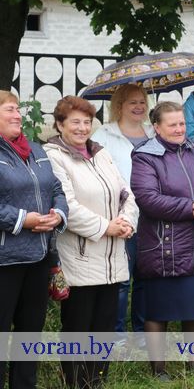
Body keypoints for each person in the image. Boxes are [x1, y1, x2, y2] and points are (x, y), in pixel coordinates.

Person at [43, 96, 138, 388]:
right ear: (60, 125)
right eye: (75, 122)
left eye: (87, 122)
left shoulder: (101, 153)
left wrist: (127, 221)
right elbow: (66, 206)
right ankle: (75, 383)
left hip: (112, 259)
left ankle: (97, 382)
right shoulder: (53, 156)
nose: (82, 128)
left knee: (104, 327)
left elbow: (126, 194)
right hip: (79, 258)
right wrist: (107, 227)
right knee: (78, 327)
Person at [131, 101, 194, 379]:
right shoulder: (144, 157)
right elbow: (148, 199)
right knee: (158, 311)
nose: (179, 129)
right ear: (157, 127)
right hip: (163, 248)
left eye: (182, 123)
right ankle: (158, 371)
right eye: (172, 124)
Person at [0, 90, 67, 389]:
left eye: (18, 109)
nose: (18, 115)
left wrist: (58, 215)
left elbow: (57, 189)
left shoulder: (36, 150)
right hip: (5, 260)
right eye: (9, 110)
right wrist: (21, 219)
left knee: (30, 334)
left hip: (39, 257)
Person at [91, 83, 154, 344]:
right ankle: (116, 335)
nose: (139, 107)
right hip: (121, 215)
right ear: (119, 106)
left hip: (152, 214)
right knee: (120, 279)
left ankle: (141, 333)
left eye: (142, 101)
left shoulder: (153, 132)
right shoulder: (104, 135)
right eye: (132, 102)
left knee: (146, 277)